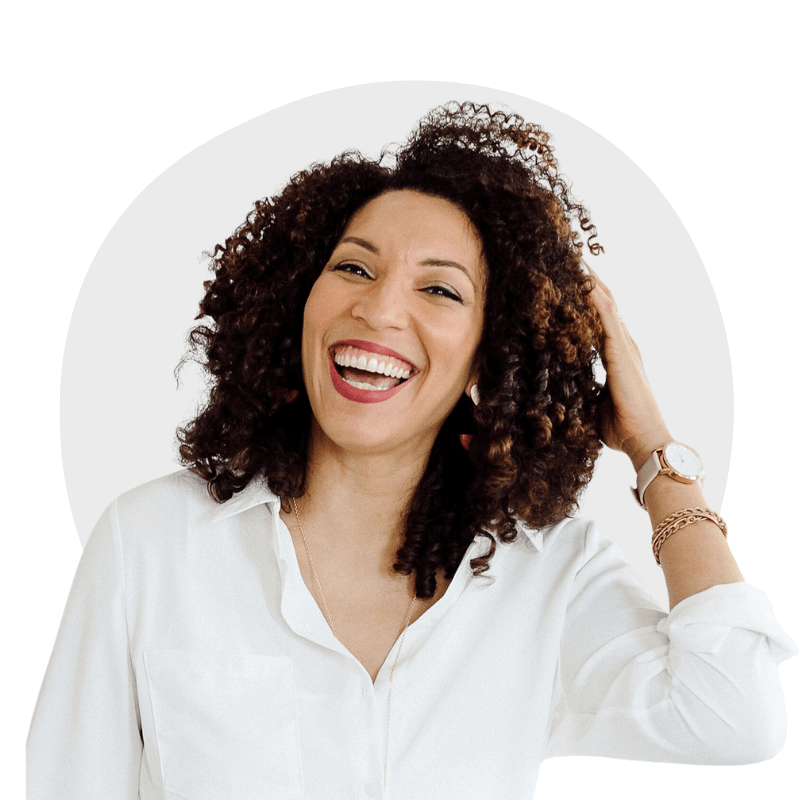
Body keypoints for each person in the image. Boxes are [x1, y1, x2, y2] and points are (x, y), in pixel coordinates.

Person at [27, 102, 796, 799]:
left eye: (440, 290)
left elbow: (739, 713)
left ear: (486, 360)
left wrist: (654, 449)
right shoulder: (150, 545)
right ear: (298, 302)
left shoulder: (547, 575)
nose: (379, 307)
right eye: (354, 267)